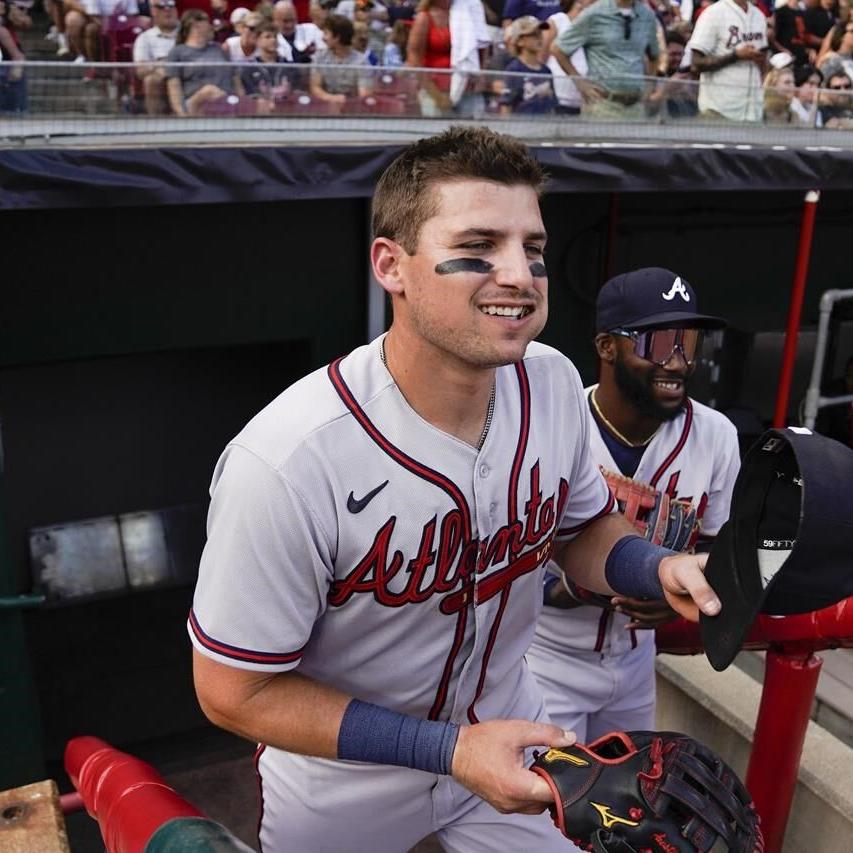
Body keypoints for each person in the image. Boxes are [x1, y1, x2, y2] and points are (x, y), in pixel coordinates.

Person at [188, 126, 723, 853]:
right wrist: (448, 749)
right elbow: (233, 690)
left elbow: (580, 529)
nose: (518, 274)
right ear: (392, 264)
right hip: (345, 778)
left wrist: (654, 566)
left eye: (531, 250)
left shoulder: (552, 381)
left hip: (514, 731)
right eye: (479, 245)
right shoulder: (286, 460)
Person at [527, 267, 740, 743]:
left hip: (637, 660)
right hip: (544, 659)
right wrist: (568, 587)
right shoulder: (550, 425)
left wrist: (676, 597)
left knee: (628, 806)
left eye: (689, 342)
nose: (679, 362)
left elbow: (714, 544)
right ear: (607, 346)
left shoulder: (716, 436)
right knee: (548, 808)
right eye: (660, 343)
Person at [550, 0, 660, 120]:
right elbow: (558, 49)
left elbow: (654, 55)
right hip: (603, 105)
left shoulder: (647, 16)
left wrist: (649, 85)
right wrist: (580, 83)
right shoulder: (594, 13)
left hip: (636, 106)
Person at [687, 0, 768, 122]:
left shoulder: (759, 16)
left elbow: (763, 58)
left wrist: (760, 59)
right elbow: (696, 64)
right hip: (719, 110)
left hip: (753, 111)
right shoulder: (713, 13)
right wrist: (735, 56)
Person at [407, 0, 490, 116]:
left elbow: (481, 46)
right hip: (434, 89)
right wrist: (436, 96)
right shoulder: (424, 18)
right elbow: (414, 59)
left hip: (468, 87)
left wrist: (480, 75)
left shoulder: (469, 13)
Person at [165, 9, 240, 116]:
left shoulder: (219, 49)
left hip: (227, 100)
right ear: (195, 26)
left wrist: (242, 98)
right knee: (209, 91)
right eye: (207, 22)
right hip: (195, 104)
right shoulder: (177, 53)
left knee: (261, 104)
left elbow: (235, 78)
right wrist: (182, 114)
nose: (211, 27)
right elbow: (174, 87)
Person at [499, 15, 557, 114]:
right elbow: (506, 105)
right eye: (534, 34)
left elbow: (552, 104)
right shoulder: (514, 70)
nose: (539, 38)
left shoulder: (546, 70)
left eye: (540, 33)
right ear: (520, 41)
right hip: (521, 126)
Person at [310, 12, 373, 101]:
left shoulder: (362, 62)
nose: (322, 38)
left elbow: (364, 94)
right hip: (325, 107)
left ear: (337, 37)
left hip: (352, 108)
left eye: (326, 33)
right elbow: (315, 87)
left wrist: (346, 102)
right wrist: (333, 99)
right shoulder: (320, 57)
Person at [544, 0, 589, 116]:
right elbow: (541, 54)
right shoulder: (556, 20)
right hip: (558, 96)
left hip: (585, 100)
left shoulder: (594, 25)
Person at [133, 0, 178, 114]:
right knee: (151, 80)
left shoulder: (188, 32)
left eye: (171, 6)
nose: (167, 10)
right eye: (161, 7)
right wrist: (160, 64)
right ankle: (156, 123)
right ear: (153, 11)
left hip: (189, 74)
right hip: (162, 76)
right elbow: (140, 71)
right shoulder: (145, 38)